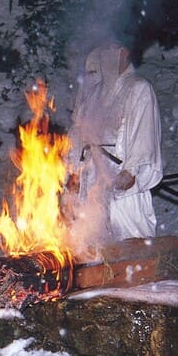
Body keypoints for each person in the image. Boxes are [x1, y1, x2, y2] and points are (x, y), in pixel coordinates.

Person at [65, 41, 161, 241]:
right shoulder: (94, 94)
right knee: (94, 242)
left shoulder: (138, 88)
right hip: (92, 180)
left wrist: (131, 170)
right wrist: (73, 170)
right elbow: (79, 133)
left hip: (121, 178)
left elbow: (144, 131)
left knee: (131, 239)